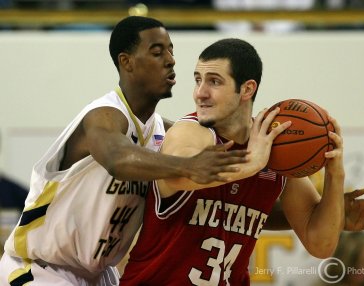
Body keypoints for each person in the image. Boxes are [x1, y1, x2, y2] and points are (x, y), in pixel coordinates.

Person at [0, 17, 249, 286]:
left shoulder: (165, 133)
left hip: (100, 275)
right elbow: (117, 159)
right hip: (40, 269)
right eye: (157, 52)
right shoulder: (103, 116)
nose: (171, 60)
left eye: (171, 50)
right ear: (126, 61)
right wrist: (190, 165)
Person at [119, 38, 346, 285]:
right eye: (197, 80)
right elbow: (179, 173)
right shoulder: (191, 132)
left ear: (247, 89)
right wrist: (251, 164)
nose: (200, 93)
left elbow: (320, 244)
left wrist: (336, 174)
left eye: (214, 81)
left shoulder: (273, 150)